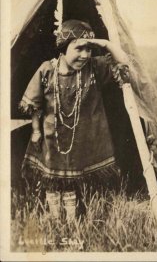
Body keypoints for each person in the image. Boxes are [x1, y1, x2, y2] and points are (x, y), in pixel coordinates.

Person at [19, 19, 131, 219]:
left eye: (89, 49)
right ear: (63, 48)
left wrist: (104, 44)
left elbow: (124, 62)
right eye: (79, 49)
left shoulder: (94, 68)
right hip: (51, 138)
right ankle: (54, 218)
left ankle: (70, 221)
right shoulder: (47, 70)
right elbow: (34, 105)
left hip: (82, 139)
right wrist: (36, 132)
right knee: (53, 182)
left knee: (70, 186)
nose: (85, 55)